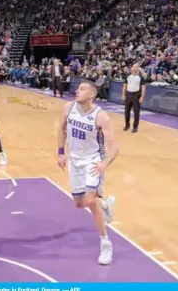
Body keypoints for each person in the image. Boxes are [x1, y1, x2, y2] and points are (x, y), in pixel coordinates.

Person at [57, 81, 118, 265]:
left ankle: (105, 243)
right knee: (79, 204)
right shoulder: (69, 108)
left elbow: (114, 146)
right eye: (77, 88)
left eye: (82, 89)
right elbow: (61, 130)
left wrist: (104, 163)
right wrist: (60, 153)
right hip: (75, 161)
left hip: (93, 161)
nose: (77, 90)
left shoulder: (101, 117)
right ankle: (105, 204)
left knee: (90, 202)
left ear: (91, 95)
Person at [122, 64, 146, 133]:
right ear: (131, 68)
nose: (135, 69)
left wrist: (142, 97)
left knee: (136, 112)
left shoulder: (141, 77)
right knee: (127, 111)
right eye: (133, 67)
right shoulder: (127, 76)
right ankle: (127, 125)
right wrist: (123, 94)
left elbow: (143, 88)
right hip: (128, 95)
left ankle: (135, 127)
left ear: (138, 69)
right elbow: (124, 86)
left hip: (136, 95)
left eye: (136, 68)